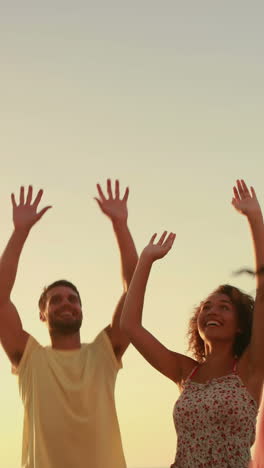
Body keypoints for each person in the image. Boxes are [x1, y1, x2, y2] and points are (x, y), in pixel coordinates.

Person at [120, 179, 264, 468]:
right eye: (206, 306)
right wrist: (145, 261)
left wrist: (255, 219)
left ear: (240, 325)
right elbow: (130, 326)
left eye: (225, 307)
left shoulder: (251, 367)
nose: (213, 311)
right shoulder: (185, 373)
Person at [0, 179, 138, 468]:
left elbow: (133, 289)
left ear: (81, 310)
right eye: (56, 299)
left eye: (73, 299)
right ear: (42, 313)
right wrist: (20, 231)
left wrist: (120, 225)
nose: (66, 304)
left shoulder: (104, 353)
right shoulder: (30, 359)